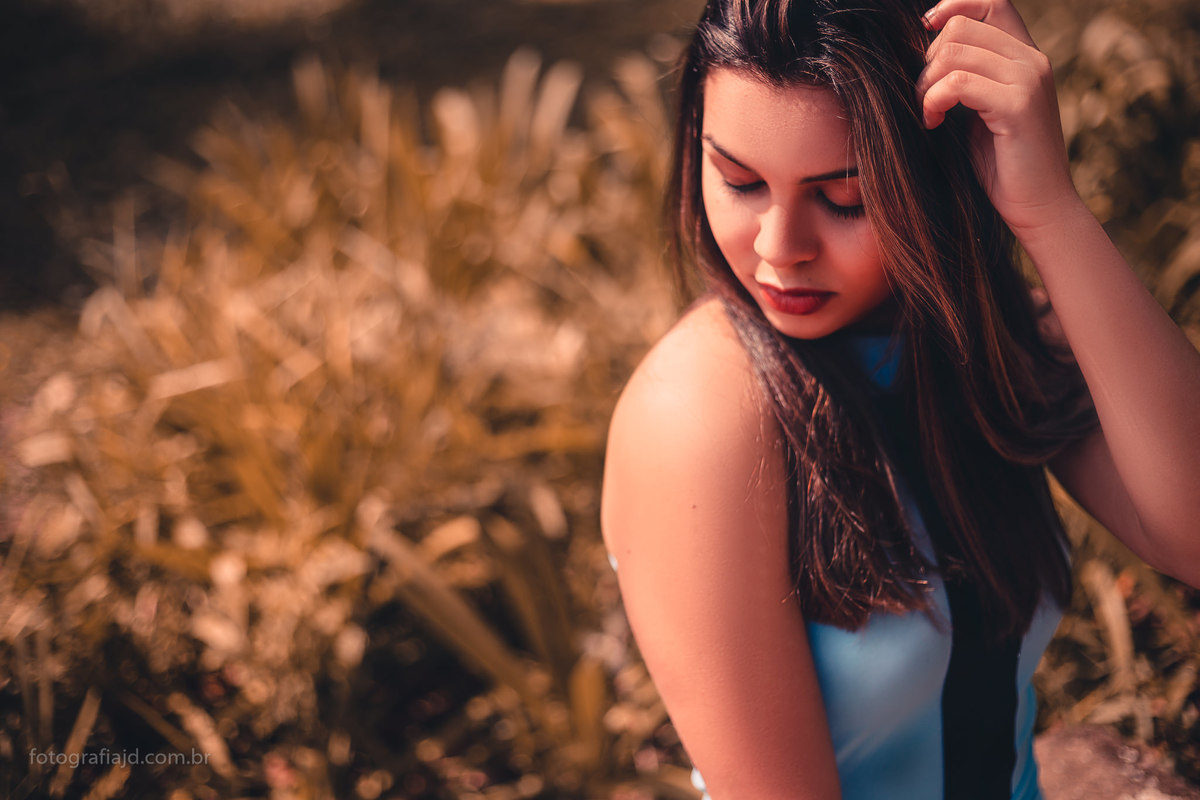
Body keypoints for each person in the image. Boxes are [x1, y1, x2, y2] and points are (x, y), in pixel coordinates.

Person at [599, 0, 1200, 798]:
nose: (780, 250)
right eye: (739, 180)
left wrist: (1049, 210)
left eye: (843, 198)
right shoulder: (699, 415)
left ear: (936, 170)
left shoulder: (982, 340)